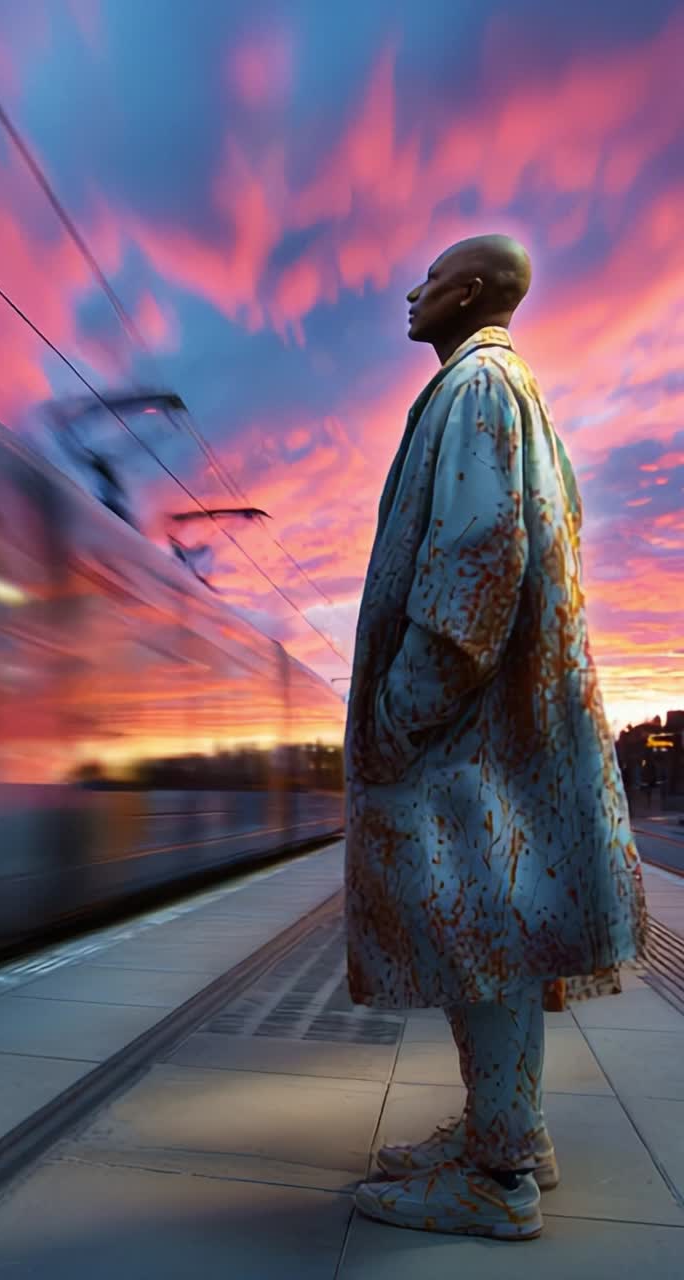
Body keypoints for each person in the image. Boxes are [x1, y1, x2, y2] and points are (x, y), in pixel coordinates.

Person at [345, 234, 647, 1241]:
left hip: (469, 734)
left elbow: (475, 560)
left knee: (481, 929)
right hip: (498, 731)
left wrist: (401, 709)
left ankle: (500, 1172)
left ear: (465, 292)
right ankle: (504, 1131)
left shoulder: (478, 389)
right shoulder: (513, 395)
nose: (411, 289)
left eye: (427, 278)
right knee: (491, 928)